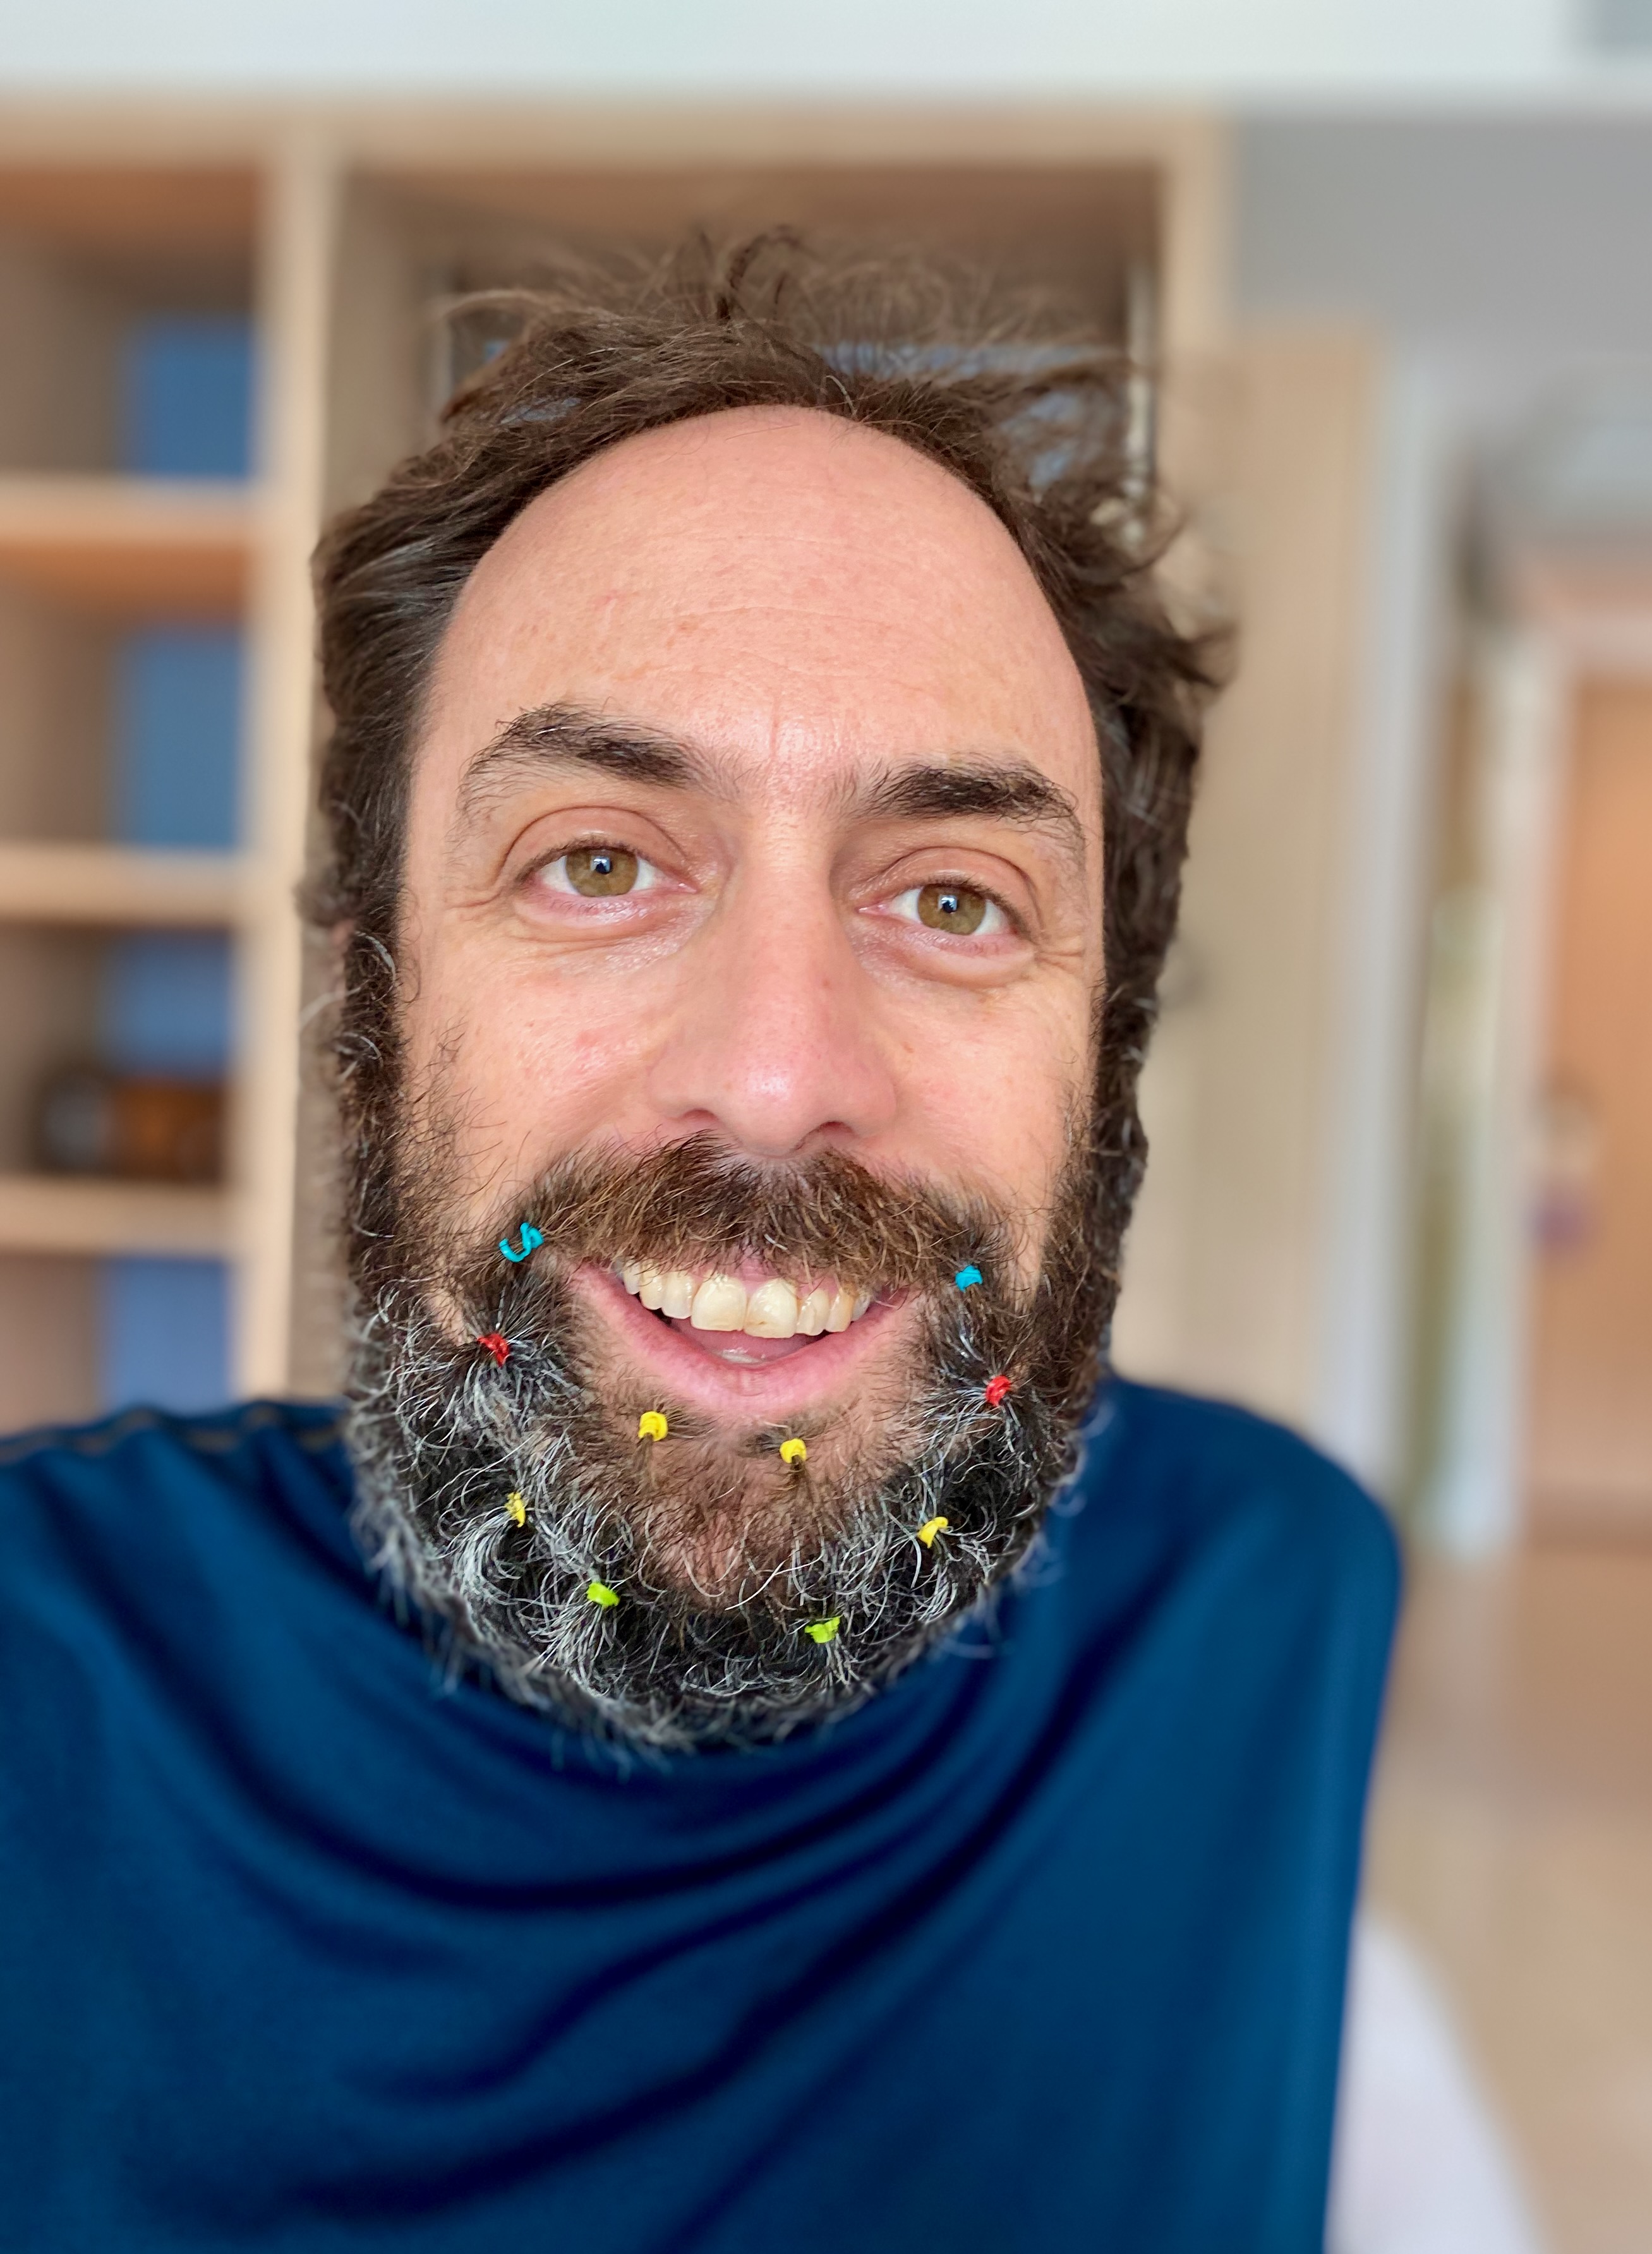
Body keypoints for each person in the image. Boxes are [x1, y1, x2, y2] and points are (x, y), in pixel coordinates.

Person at [0, 242, 1397, 2251]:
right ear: (370, 1004)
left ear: (1107, 1060)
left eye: (954, 899)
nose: (772, 1076)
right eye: (596, 862)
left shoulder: (1270, 1606)